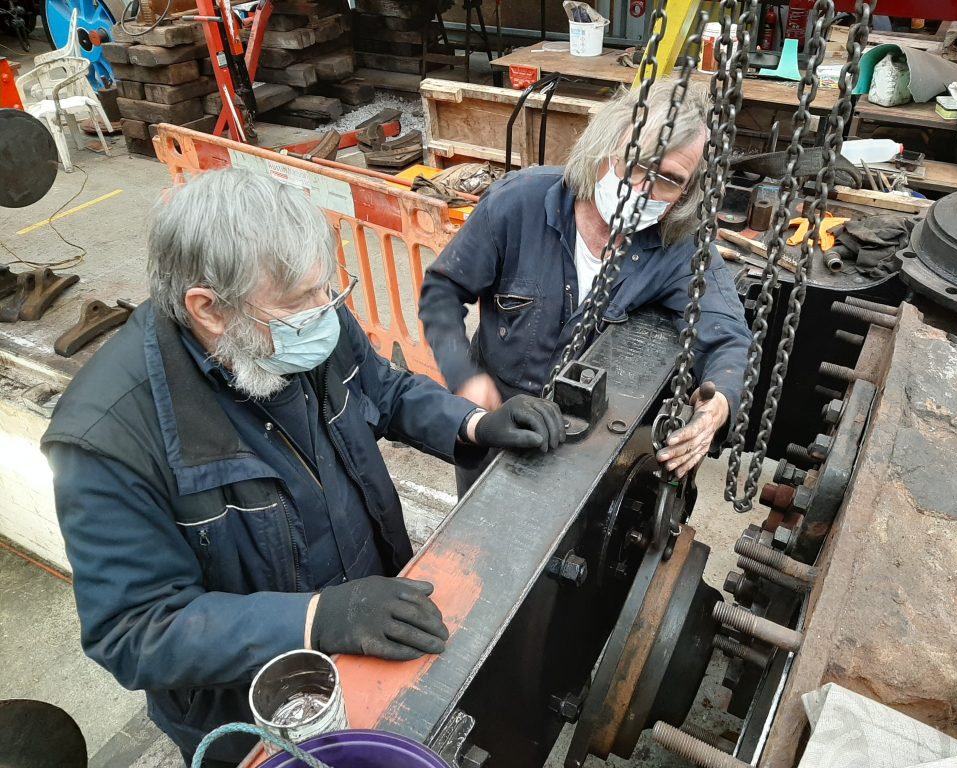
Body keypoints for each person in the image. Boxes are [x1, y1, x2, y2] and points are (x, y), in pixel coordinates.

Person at [40, 169, 565, 766]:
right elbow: (135, 629)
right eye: (300, 301)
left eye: (327, 290)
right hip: (256, 708)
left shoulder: (301, 322)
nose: (329, 311)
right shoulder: (107, 440)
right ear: (208, 309)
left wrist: (472, 424)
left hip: (370, 613)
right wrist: (318, 618)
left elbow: (381, 390)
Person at [419, 80, 752, 495]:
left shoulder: (677, 246)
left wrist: (718, 405)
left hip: (586, 446)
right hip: (496, 419)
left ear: (686, 192)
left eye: (669, 179)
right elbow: (441, 291)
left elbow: (728, 336)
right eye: (637, 161)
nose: (643, 189)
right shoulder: (516, 204)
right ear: (604, 148)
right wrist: (463, 376)